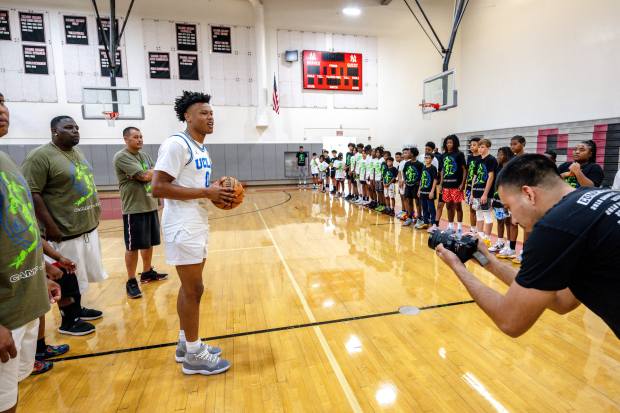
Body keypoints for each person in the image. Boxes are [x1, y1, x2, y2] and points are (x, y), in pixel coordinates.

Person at [436, 154, 620, 338]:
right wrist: (488, 262)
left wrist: (457, 266)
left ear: (529, 194)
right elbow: (562, 301)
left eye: (509, 208)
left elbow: (510, 321)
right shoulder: (604, 197)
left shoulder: (554, 227)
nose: (513, 220)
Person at [151, 91, 232, 376]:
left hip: (195, 221)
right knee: (193, 289)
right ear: (187, 116)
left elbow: (197, 186)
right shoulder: (176, 144)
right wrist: (205, 192)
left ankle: (186, 344)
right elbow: (158, 187)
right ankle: (194, 356)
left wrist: (214, 191)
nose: (210, 117)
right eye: (203, 113)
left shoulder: (200, 148)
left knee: (191, 288)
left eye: (211, 113)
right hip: (182, 224)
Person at [0, 92, 60, 413]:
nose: (1, 110)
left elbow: (21, 223)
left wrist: (42, 271)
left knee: (12, 397)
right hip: (4, 316)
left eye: (1, 101)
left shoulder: (6, 160)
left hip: (23, 303)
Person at [22, 116, 106, 331]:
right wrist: (50, 225)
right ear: (54, 131)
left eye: (76, 127)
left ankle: (78, 308)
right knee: (66, 274)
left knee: (79, 275)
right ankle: (69, 319)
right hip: (62, 229)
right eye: (68, 127)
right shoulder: (40, 157)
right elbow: (33, 193)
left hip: (85, 226)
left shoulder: (75, 152)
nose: (75, 130)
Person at [113, 126, 168, 299]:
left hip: (149, 205)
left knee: (148, 242)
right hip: (134, 208)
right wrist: (149, 173)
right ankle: (131, 281)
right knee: (133, 246)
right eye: (136, 137)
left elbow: (153, 175)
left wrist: (149, 175)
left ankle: (146, 272)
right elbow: (145, 176)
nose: (140, 139)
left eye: (141, 136)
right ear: (126, 139)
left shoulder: (144, 155)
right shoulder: (121, 156)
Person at [489, 147, 517, 255]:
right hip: (497, 198)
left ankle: (510, 245)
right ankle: (500, 242)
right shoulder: (498, 167)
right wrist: (492, 198)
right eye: (498, 154)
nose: (498, 156)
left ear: (506, 155)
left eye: (500, 154)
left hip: (507, 200)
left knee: (508, 222)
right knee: (500, 221)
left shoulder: (511, 168)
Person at [471, 139, 497, 244]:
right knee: (478, 215)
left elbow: (491, 177)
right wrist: (472, 193)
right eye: (479, 147)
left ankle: (487, 238)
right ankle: (480, 236)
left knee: (487, 215)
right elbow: (475, 177)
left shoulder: (491, 160)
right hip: (476, 191)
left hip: (485, 193)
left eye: (482, 147)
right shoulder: (477, 161)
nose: (480, 149)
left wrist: (485, 194)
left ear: (488, 147)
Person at [439, 135, 467, 234]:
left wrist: (462, 183)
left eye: (450, 142)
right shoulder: (443, 156)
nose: (448, 144)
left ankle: (459, 227)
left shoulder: (459, 154)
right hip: (446, 186)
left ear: (455, 143)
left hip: (456, 186)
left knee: (458, 207)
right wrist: (441, 184)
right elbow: (442, 171)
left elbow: (464, 170)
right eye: (447, 143)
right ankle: (450, 225)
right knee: (448, 206)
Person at [416, 153, 438, 230]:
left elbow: (435, 180)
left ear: (431, 159)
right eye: (425, 158)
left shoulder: (433, 168)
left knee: (431, 208)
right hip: (423, 191)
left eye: (428, 158)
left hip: (429, 192)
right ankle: (425, 222)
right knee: (424, 207)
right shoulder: (423, 167)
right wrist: (419, 190)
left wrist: (432, 191)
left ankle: (434, 224)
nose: (426, 159)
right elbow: (422, 179)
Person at [402, 148, 423, 227]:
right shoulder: (407, 163)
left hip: (416, 186)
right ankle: (410, 217)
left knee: (417, 202)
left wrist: (419, 184)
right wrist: (405, 180)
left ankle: (419, 219)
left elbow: (422, 175)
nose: (407, 154)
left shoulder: (419, 164)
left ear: (413, 154)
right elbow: (404, 172)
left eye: (409, 153)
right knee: (409, 201)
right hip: (408, 185)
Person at [465, 137, 481, 234]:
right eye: (471, 145)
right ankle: (473, 228)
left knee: (479, 211)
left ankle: (480, 231)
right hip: (469, 186)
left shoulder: (482, 158)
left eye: (474, 145)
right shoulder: (470, 157)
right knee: (471, 209)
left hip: (479, 187)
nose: (471, 146)